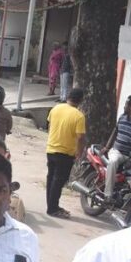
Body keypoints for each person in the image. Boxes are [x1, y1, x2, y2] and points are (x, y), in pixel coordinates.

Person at [45, 87, 86, 219]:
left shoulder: (56, 108)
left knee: (51, 178)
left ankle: (51, 205)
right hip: (65, 152)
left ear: (68, 97)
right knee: (58, 181)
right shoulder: (79, 116)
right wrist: (79, 152)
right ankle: (52, 208)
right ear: (80, 100)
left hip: (51, 149)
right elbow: (80, 137)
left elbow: (50, 125)